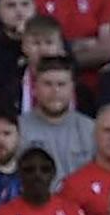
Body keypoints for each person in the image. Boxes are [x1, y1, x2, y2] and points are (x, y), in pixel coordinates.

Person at [18, 56, 93, 188]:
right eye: (48, 84)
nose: (55, 91)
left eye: (61, 84)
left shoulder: (91, 129)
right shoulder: (18, 128)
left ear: (72, 88)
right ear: (35, 89)